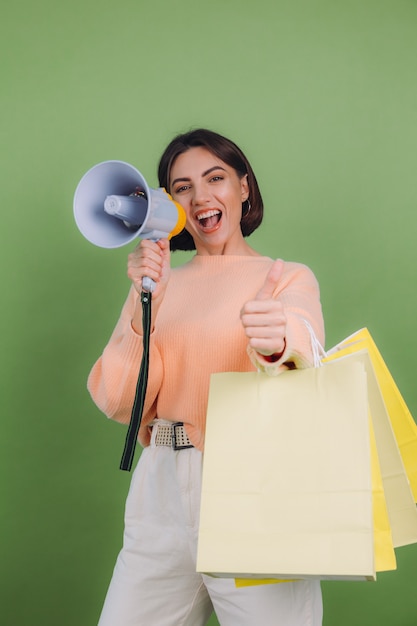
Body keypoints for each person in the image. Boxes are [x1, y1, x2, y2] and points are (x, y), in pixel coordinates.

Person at [88, 128, 325, 625]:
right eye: (182, 187)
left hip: (251, 485)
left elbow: (306, 350)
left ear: (243, 188)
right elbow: (117, 400)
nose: (200, 196)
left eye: (215, 178)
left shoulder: (285, 277)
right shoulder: (159, 285)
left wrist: (278, 341)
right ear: (169, 204)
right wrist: (141, 300)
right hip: (160, 491)